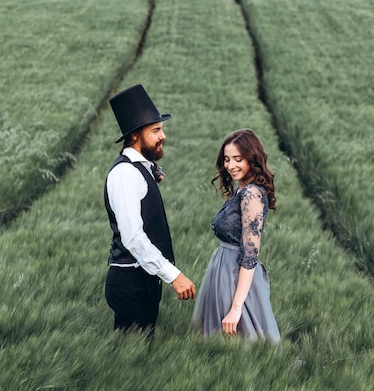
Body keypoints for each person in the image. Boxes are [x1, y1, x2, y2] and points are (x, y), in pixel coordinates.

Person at [104, 84, 196, 337]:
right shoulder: (124, 174)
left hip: (142, 281)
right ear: (135, 136)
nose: (162, 135)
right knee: (130, 363)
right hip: (130, 282)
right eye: (155, 130)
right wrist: (173, 275)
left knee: (139, 356)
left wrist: (151, 171)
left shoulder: (138, 168)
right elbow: (133, 237)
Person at [191, 129, 280, 343]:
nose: (231, 166)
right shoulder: (241, 190)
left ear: (252, 159)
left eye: (238, 159)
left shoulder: (251, 195)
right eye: (227, 159)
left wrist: (237, 307)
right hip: (223, 270)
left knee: (241, 339)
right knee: (222, 344)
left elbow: (250, 255)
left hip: (236, 275)